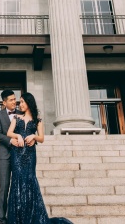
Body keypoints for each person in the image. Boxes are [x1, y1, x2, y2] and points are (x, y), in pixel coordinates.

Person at [6, 92, 74, 224]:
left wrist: (33, 137)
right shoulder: (16, 117)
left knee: (30, 181)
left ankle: (30, 217)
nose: (21, 104)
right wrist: (18, 136)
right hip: (17, 154)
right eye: (20, 102)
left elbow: (42, 138)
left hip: (30, 154)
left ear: (29, 103)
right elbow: (9, 132)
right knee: (17, 181)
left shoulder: (38, 120)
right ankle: (18, 218)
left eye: (23, 102)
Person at [0, 89, 28, 224]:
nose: (15, 102)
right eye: (11, 100)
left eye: (15, 99)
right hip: (5, 156)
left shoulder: (21, 113)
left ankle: (19, 216)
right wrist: (10, 141)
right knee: (4, 187)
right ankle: (1, 219)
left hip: (20, 155)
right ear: (4, 102)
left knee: (19, 187)